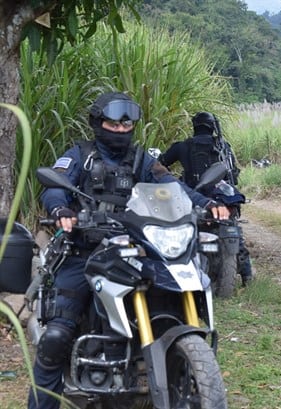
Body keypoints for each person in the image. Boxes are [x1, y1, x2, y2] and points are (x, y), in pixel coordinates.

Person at [28, 92, 229, 409]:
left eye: (127, 123)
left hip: (135, 250)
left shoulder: (142, 161)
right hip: (85, 251)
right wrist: (61, 212)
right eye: (113, 122)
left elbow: (174, 188)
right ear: (98, 124)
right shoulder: (81, 156)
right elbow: (55, 186)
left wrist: (206, 203)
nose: (121, 129)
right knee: (55, 338)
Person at [158, 112, 253, 285]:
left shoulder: (182, 146)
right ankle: (247, 274)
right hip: (222, 199)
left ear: (195, 126)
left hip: (192, 197)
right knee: (233, 228)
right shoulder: (223, 147)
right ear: (212, 127)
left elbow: (160, 163)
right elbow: (233, 174)